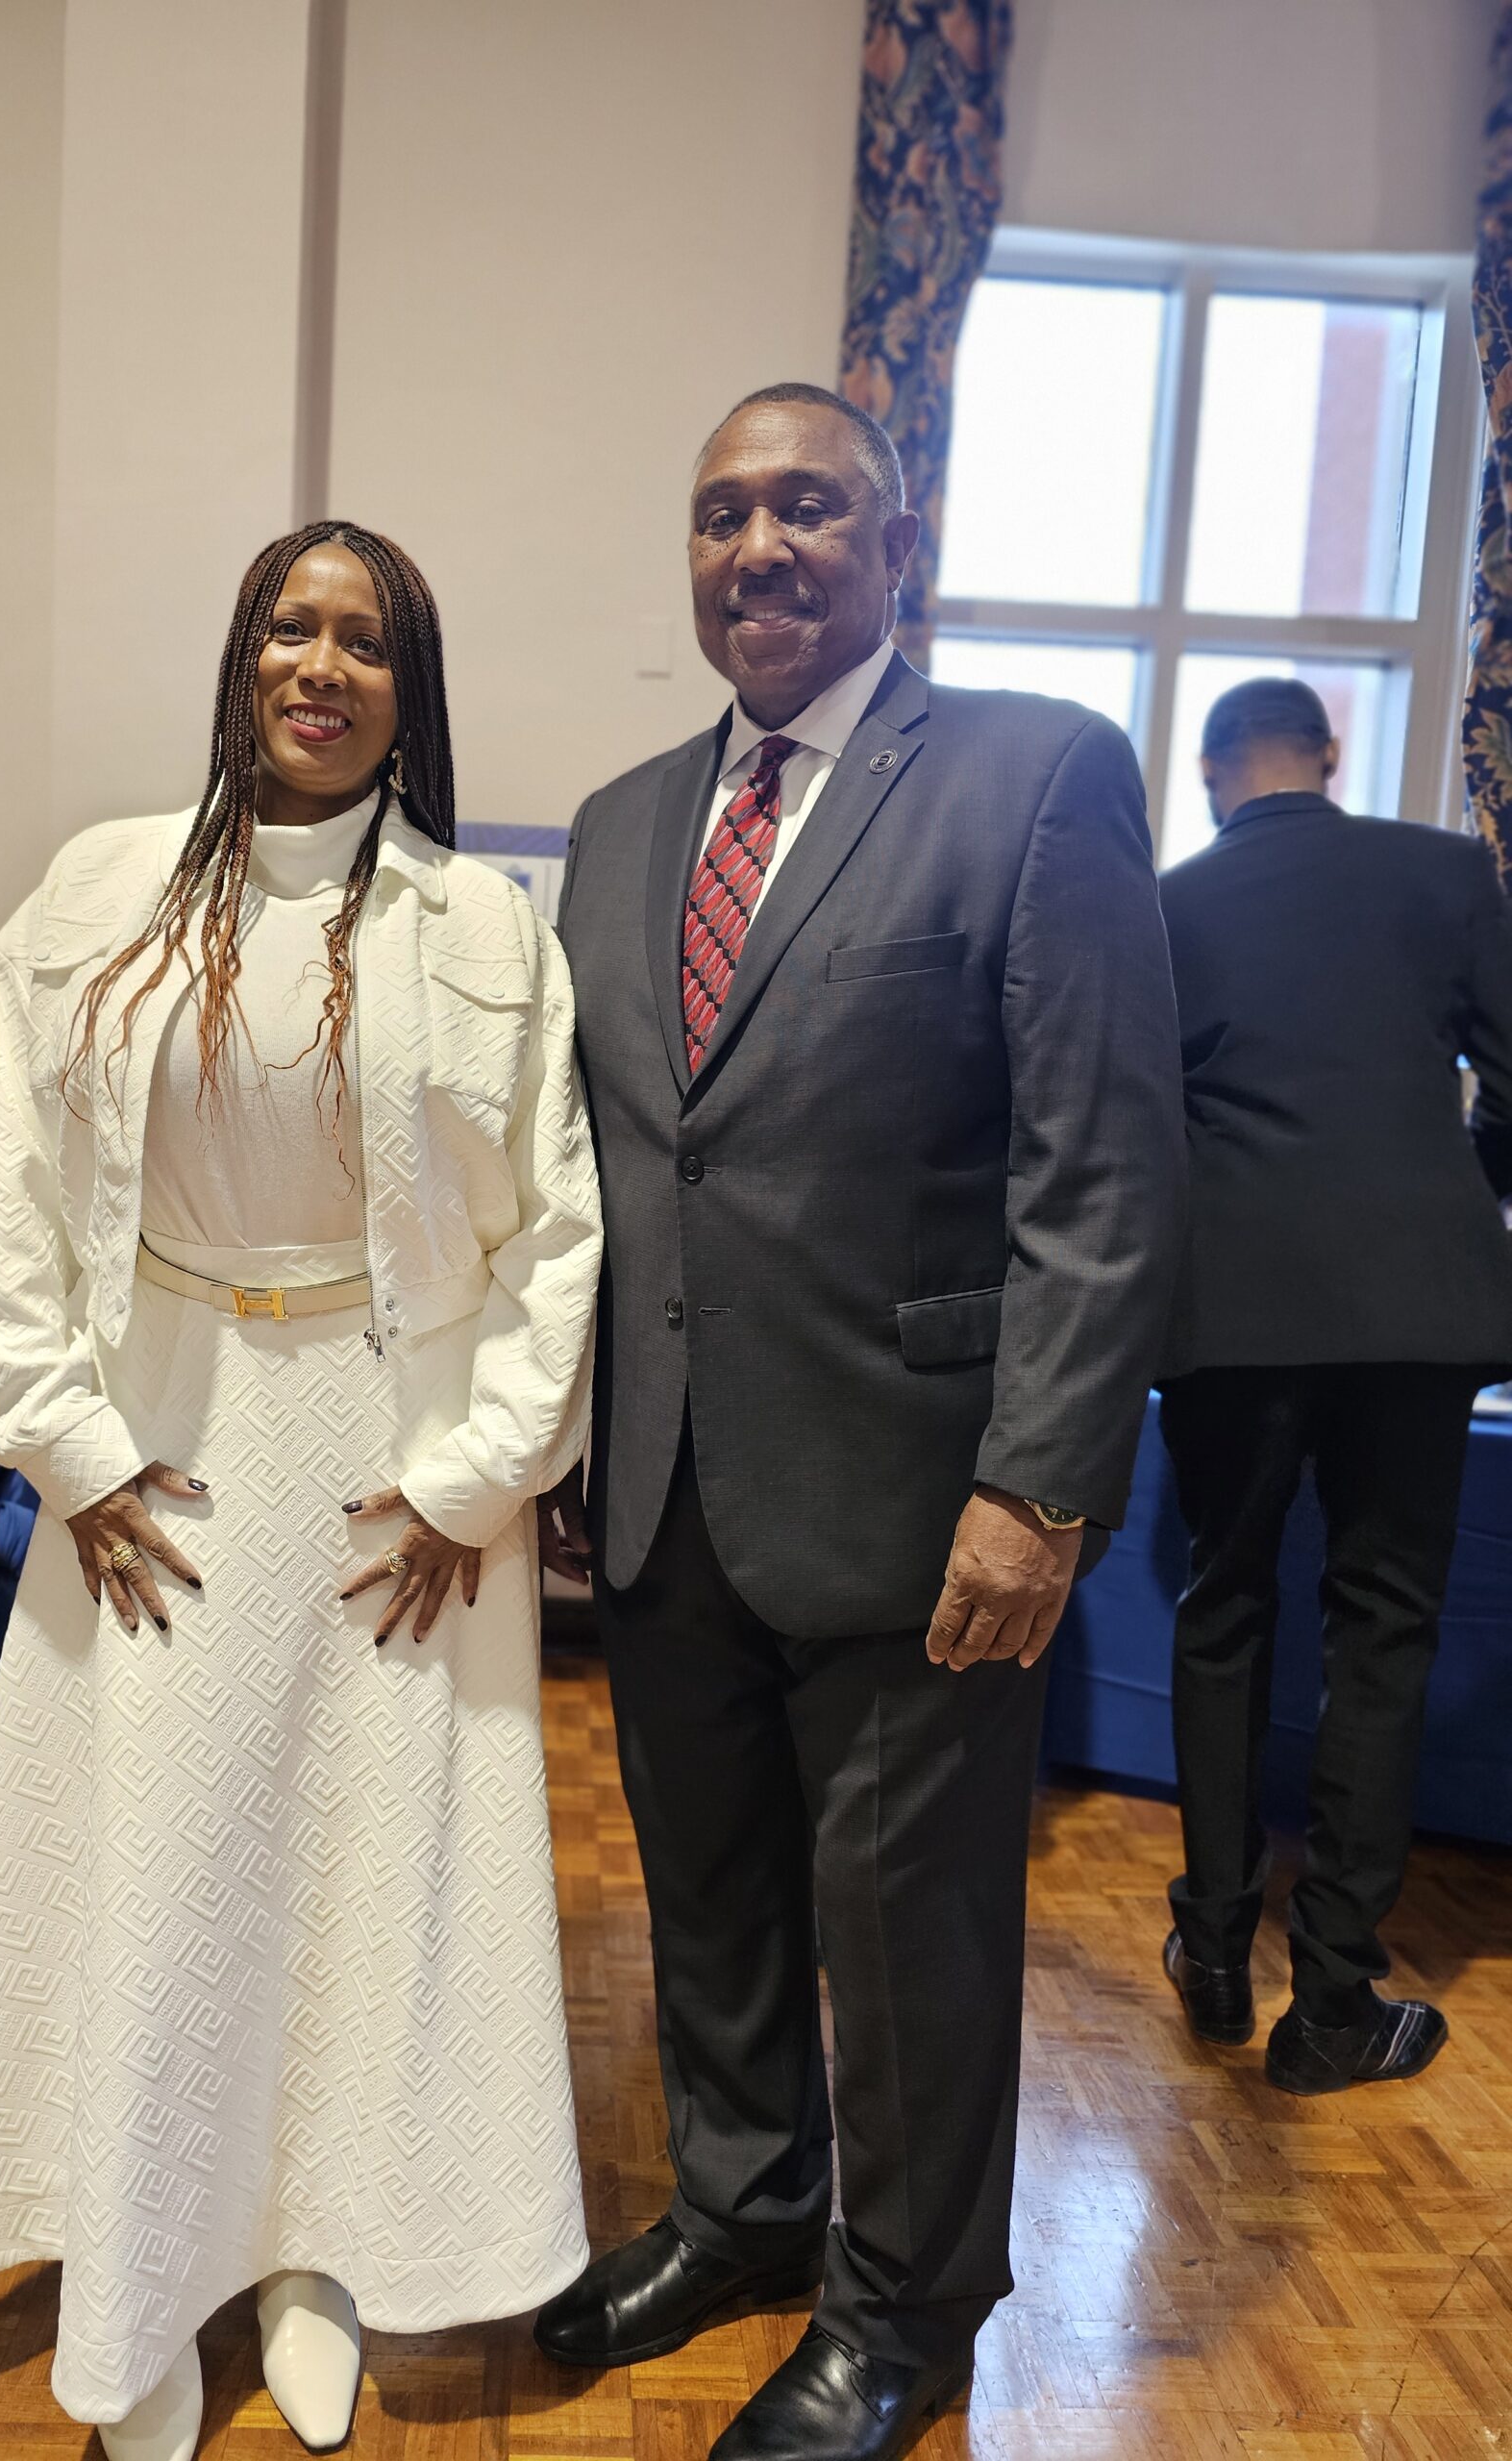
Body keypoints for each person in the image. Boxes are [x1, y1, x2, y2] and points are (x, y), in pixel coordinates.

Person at [0, 526, 602, 2461]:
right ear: (241, 653)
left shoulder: (483, 928)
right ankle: (142, 2279)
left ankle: (316, 2254)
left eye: (365, 639)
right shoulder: (100, 891)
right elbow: (12, 1188)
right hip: (164, 1442)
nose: (322, 664)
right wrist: (69, 1447)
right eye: (292, 625)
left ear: (407, 686)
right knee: (161, 1864)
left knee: (359, 1877)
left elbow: (557, 1234)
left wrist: (475, 1482)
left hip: (392, 1467)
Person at [533, 385, 1185, 2461]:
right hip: (664, 1484)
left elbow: (1103, 1166)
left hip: (925, 1507)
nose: (760, 546)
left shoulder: (1034, 774)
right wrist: (561, 1440)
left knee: (909, 1942)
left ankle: (905, 2307)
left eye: (808, 505)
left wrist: (1041, 1485)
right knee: (709, 1896)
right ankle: (742, 2212)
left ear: (897, 543)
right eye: (721, 512)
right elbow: (604, 1165)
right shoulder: (624, 824)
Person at [1156, 677, 1512, 2096]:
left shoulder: (1168, 904)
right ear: (1331, 755)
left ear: (1210, 773)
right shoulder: (1449, 873)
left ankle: (1212, 1951)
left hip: (1231, 1304)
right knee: (1383, 1632)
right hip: (1419, 1309)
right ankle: (1337, 2004)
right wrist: (1447, 1189)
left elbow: (1131, 1116)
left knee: (1223, 1610)